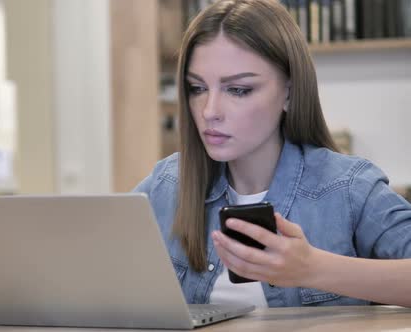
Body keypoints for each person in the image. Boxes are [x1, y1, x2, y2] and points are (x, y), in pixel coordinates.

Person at [134, 0, 411, 308]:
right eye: (197, 88)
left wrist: (314, 268)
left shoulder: (348, 186)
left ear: (289, 94)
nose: (209, 112)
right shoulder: (167, 185)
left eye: (238, 90)